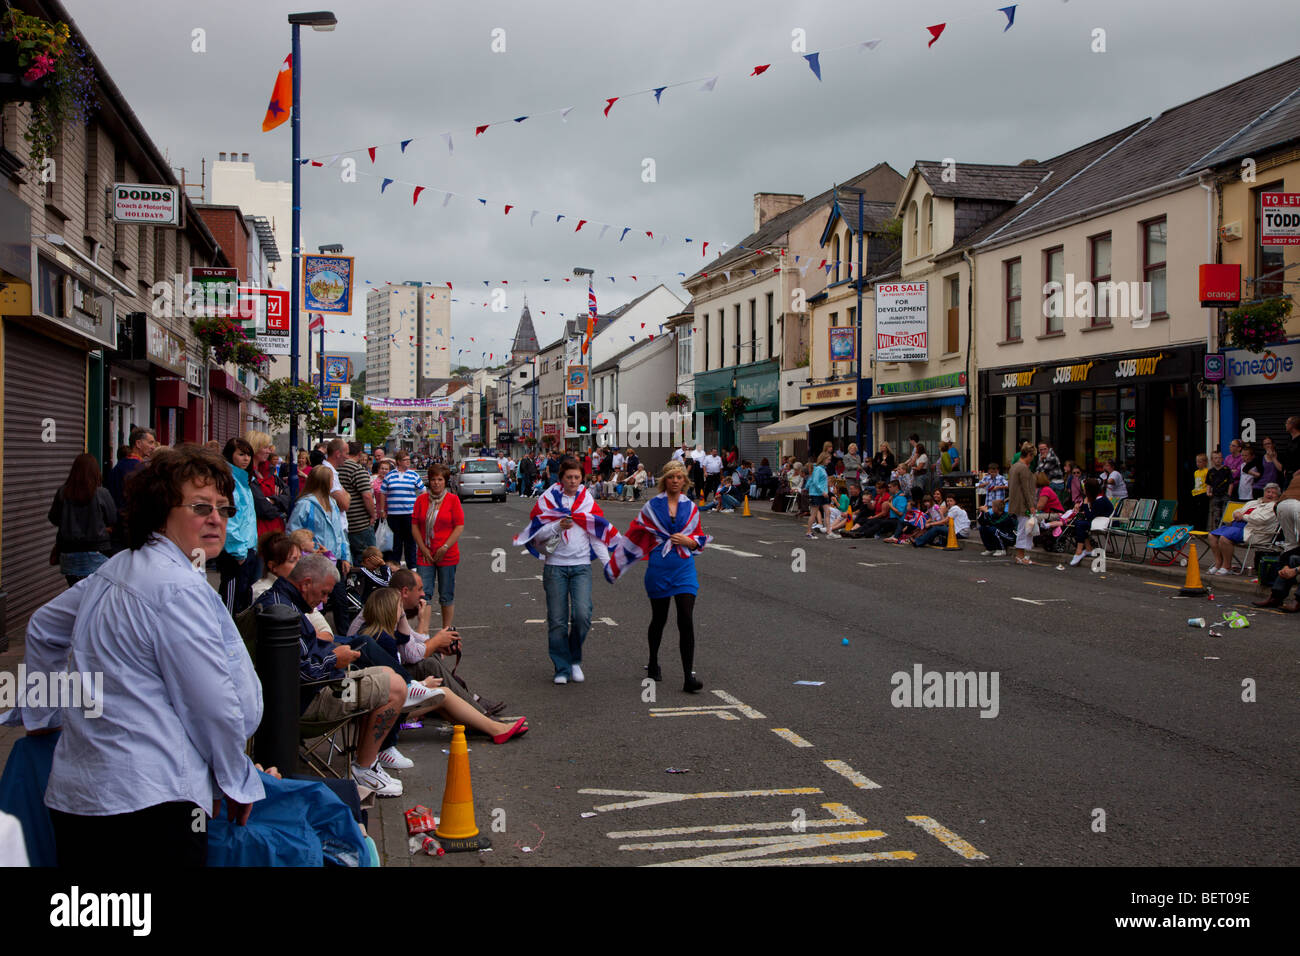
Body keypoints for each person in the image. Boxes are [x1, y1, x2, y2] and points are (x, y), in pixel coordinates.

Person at [11, 444, 264, 864]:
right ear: (161, 510)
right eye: (201, 507)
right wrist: (234, 779)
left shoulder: (120, 568)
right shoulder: (176, 588)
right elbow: (212, 706)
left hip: (81, 797)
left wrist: (44, 716)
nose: (216, 519)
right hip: (153, 805)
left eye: (224, 508)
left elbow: (43, 627)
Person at [355, 589, 527, 744]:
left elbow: (413, 642)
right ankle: (493, 727)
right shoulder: (383, 640)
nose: (403, 614)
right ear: (391, 612)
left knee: (440, 695)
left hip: (378, 702)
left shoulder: (375, 632)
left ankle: (483, 725)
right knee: (441, 694)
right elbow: (398, 674)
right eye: (400, 609)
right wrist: (423, 685)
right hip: (385, 707)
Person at [513, 456, 622, 685]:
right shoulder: (547, 499)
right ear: (561, 478)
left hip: (581, 565)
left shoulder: (586, 500)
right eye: (569, 477)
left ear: (582, 478)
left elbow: (597, 535)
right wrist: (556, 525)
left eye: (577, 477)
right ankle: (561, 667)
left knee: (582, 615)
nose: (573, 481)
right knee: (557, 620)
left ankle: (574, 660)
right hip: (555, 567)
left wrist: (608, 564)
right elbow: (536, 536)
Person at [618, 461, 710, 693]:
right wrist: (620, 554)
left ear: (685, 481)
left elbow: (697, 536)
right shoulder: (651, 506)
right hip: (659, 566)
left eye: (680, 477)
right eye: (671, 477)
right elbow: (636, 532)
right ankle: (653, 661)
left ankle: (688, 676)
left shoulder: (690, 507)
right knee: (659, 618)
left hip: (683, 566)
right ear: (665, 480)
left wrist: (689, 541)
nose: (676, 480)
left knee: (686, 619)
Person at [287, 465, 354, 633]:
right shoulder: (305, 504)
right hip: (314, 562)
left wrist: (345, 557)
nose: (334, 483)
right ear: (324, 481)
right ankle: (314, 633)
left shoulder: (332, 502)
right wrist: (308, 548)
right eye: (331, 479)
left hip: (334, 559)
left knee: (340, 600)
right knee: (317, 602)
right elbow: (292, 531)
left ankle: (344, 635)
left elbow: (340, 533)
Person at [47, 453, 117, 589]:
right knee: (95, 596)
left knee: (75, 594)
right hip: (97, 552)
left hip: (68, 555)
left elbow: (54, 518)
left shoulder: (63, 492)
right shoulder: (102, 493)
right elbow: (113, 519)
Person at [411, 463, 464, 629]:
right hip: (425, 553)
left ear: (445, 481)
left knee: (446, 594)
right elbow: (414, 526)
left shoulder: (453, 500)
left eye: (440, 479)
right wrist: (423, 548)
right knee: (424, 594)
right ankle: (423, 631)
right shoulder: (421, 500)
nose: (436, 483)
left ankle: (446, 631)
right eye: (433, 479)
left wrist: (445, 547)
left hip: (447, 554)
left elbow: (459, 526)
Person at [217, 437, 261, 615]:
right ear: (230, 455)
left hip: (248, 548)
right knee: (231, 600)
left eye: (248, 455)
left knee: (242, 599)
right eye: (241, 454)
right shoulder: (230, 482)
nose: (246, 459)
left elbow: (248, 518)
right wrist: (239, 552)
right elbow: (229, 520)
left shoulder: (244, 481)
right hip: (236, 552)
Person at [1206, 482, 1281, 575]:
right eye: (1268, 491)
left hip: (1254, 531)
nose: (1270, 494)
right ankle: (1218, 563)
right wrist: (1236, 513)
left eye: (1273, 493)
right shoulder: (1253, 502)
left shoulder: (1274, 506)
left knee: (1224, 538)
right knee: (1212, 536)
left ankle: (1226, 566)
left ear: (1277, 496)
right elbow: (1238, 511)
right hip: (1237, 526)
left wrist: (1243, 517)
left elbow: (1261, 519)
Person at [104, 426, 156, 554]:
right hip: (133, 528)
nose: (153, 447)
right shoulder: (140, 469)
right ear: (138, 443)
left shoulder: (117, 467)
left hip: (116, 528)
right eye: (150, 442)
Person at [379, 451, 425, 567]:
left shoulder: (414, 475)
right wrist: (382, 510)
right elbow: (383, 493)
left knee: (410, 541)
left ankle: (412, 567)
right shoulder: (390, 475)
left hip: (409, 514)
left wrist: (420, 507)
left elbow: (423, 491)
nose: (408, 462)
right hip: (394, 515)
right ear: (399, 462)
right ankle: (395, 567)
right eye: (405, 460)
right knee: (396, 542)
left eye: (409, 460)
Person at [339, 441, 377, 560]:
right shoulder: (358, 470)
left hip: (344, 521)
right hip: (360, 523)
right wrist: (372, 515)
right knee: (368, 559)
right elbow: (367, 496)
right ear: (359, 454)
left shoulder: (337, 468)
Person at [1068, 478, 1112, 567]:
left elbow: (1090, 516)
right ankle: (1087, 548)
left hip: (1109, 523)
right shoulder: (1096, 499)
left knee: (1081, 524)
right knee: (1080, 523)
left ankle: (1079, 551)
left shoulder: (1101, 500)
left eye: (1085, 488)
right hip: (1098, 521)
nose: (1083, 489)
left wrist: (1085, 503)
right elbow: (1090, 515)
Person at [1009, 442, 1038, 565]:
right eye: (1033, 456)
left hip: (1015, 502)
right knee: (1024, 530)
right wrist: (1031, 505)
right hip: (1023, 504)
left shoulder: (1014, 466)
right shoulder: (1023, 468)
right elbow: (1026, 489)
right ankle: (1020, 556)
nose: (1032, 460)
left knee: (1023, 529)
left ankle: (1021, 555)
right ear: (1029, 455)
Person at [804, 452, 830, 538]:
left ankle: (829, 532)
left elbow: (812, 480)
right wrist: (822, 491)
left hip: (823, 493)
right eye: (828, 459)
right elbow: (815, 481)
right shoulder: (818, 469)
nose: (829, 461)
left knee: (828, 512)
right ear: (823, 459)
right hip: (817, 494)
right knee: (814, 514)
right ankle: (808, 532)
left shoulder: (822, 468)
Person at [1206, 450, 1233, 532]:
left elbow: (1231, 483)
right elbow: (1208, 483)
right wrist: (1208, 492)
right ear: (1212, 460)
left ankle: (1225, 531)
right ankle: (1218, 530)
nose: (1218, 460)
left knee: (1225, 514)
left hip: (1225, 495)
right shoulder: (1211, 471)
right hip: (1215, 495)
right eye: (1215, 458)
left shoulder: (1226, 469)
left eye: (1219, 458)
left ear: (1222, 459)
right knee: (1216, 514)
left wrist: (1229, 494)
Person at [1189, 453, 1211, 534]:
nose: (1198, 464)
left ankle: (1202, 530)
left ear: (1205, 462)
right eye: (1197, 462)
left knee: (1203, 512)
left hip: (1203, 493)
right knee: (1195, 512)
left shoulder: (1207, 471)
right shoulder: (1196, 472)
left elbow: (1208, 482)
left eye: (1200, 462)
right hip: (1196, 493)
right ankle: (1195, 528)